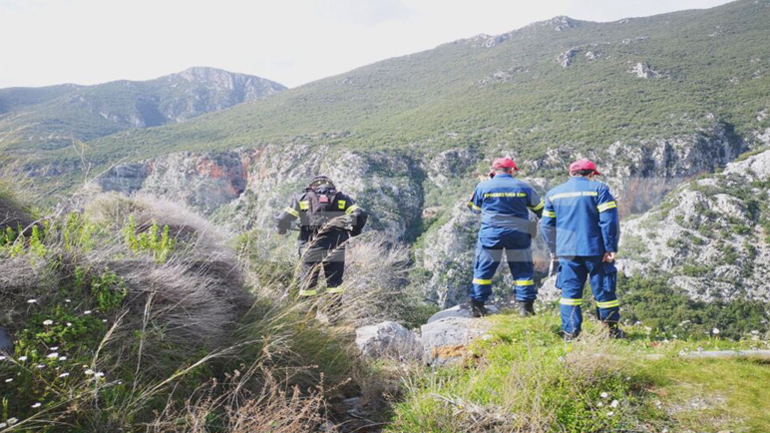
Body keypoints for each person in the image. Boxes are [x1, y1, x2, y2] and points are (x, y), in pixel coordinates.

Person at [540, 159, 624, 340]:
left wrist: (555, 249)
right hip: (596, 251)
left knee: (570, 294)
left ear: (570, 174)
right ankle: (611, 332)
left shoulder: (553, 194)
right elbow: (608, 221)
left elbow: (546, 226)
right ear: (592, 174)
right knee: (604, 292)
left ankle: (570, 333)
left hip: (567, 252)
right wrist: (610, 247)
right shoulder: (599, 190)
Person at [467, 157, 544, 317]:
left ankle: (478, 307)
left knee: (483, 270)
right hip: (518, 235)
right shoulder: (524, 187)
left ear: (493, 171)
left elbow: (474, 209)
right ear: (512, 171)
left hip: (491, 235)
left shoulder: (483, 186)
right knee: (522, 271)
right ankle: (526, 309)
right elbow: (539, 209)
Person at [275, 176, 368, 299]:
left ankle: (307, 314)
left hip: (310, 245)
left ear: (312, 187)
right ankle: (334, 315)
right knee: (334, 284)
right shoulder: (343, 198)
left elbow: (282, 218)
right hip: (336, 245)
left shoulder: (302, 198)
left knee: (307, 283)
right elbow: (359, 214)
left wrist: (282, 229)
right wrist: (356, 231)